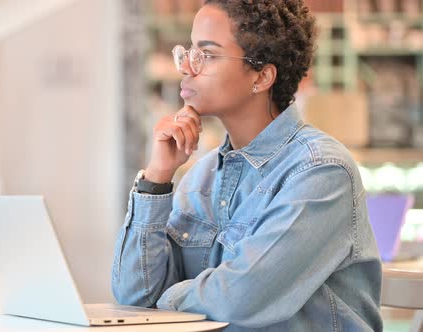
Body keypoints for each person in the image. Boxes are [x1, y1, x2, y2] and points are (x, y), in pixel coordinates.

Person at [111, 1, 383, 331]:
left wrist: (165, 300)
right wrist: (156, 178)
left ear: (262, 76)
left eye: (207, 55)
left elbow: (239, 299)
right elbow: (133, 296)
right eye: (189, 51)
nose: (187, 67)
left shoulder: (320, 170)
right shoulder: (202, 174)